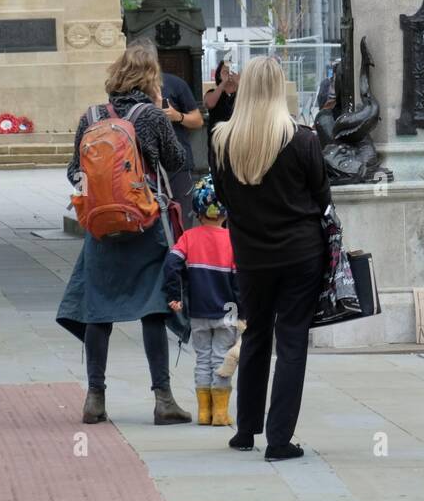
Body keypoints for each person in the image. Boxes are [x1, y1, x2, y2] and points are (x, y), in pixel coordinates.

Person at [57, 42, 193, 426]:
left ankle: (95, 398)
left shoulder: (92, 116)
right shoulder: (150, 114)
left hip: (101, 228)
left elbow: (73, 171)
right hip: (144, 223)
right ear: (150, 76)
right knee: (152, 308)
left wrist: (102, 192)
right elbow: (177, 161)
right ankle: (163, 400)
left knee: (98, 310)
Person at [210, 56, 330, 460]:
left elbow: (224, 200)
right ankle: (280, 440)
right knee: (292, 339)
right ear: (280, 89)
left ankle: (245, 430)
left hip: (251, 254)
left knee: (256, 334)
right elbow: (322, 198)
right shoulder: (302, 139)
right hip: (301, 253)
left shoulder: (223, 140)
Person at [163, 174, 241, 426]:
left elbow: (171, 264)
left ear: (197, 212)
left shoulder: (188, 238)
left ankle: (203, 412)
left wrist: (175, 295)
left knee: (202, 358)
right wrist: (245, 313)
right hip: (227, 313)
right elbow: (239, 282)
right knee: (221, 359)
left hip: (198, 311)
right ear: (226, 213)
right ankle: (220, 413)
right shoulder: (233, 242)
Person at [160, 65, 204, 227]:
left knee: (182, 222)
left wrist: (177, 116)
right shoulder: (129, 89)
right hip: (145, 168)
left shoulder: (173, 84)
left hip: (178, 167)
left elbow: (198, 120)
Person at [205, 59, 239, 140]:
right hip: (217, 137)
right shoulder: (212, 92)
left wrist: (239, 82)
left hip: (237, 136)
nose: (229, 74)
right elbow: (209, 104)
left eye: (232, 70)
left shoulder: (242, 94)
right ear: (219, 75)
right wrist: (223, 82)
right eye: (225, 71)